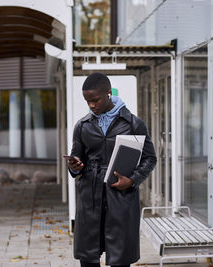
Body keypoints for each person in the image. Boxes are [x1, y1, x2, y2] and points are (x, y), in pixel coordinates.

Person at [67, 72, 157, 267]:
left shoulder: (134, 124)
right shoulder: (82, 126)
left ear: (108, 94)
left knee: (121, 258)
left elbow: (150, 158)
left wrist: (132, 180)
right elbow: (76, 160)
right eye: (87, 100)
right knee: (88, 258)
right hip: (89, 197)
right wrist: (74, 166)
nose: (91, 105)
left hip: (121, 197)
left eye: (95, 100)